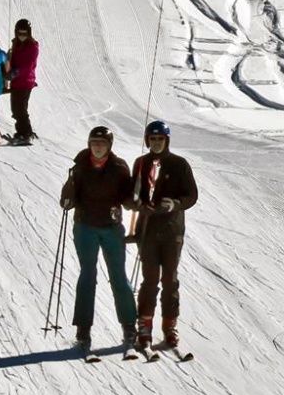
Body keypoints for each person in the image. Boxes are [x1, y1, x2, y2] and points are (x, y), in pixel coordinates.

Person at [58, 126, 137, 350]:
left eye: (102, 143)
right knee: (87, 275)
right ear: (89, 144)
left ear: (109, 146)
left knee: (118, 276)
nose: (98, 147)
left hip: (111, 228)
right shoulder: (80, 166)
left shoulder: (119, 168)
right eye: (94, 143)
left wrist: (134, 200)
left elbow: (127, 197)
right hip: (85, 227)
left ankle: (129, 327)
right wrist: (67, 198)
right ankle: (83, 331)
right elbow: (67, 198)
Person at [129, 119, 199, 354]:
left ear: (167, 140)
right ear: (147, 140)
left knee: (170, 280)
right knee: (149, 280)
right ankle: (144, 326)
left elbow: (191, 195)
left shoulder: (179, 164)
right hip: (147, 230)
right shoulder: (141, 163)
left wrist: (175, 204)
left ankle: (170, 326)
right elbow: (133, 194)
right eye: (153, 138)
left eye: (160, 139)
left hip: (172, 230)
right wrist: (137, 203)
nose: (156, 142)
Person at [7, 19, 39, 145]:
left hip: (26, 82)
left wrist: (15, 72)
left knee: (20, 109)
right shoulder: (16, 44)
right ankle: (23, 132)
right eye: (19, 33)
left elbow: (28, 65)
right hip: (16, 82)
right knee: (15, 109)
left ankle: (26, 134)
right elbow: (12, 60)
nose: (22, 36)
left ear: (29, 33)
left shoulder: (33, 47)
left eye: (24, 33)